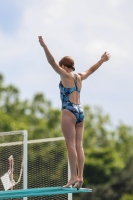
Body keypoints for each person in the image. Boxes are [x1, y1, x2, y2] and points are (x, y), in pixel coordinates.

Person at [38, 36, 110, 189]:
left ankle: (72, 177)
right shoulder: (79, 77)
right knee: (79, 146)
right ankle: (80, 177)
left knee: (70, 145)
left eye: (61, 66)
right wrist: (101, 60)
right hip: (80, 112)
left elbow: (51, 61)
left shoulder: (65, 75)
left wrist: (44, 46)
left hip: (69, 111)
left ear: (64, 66)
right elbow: (91, 69)